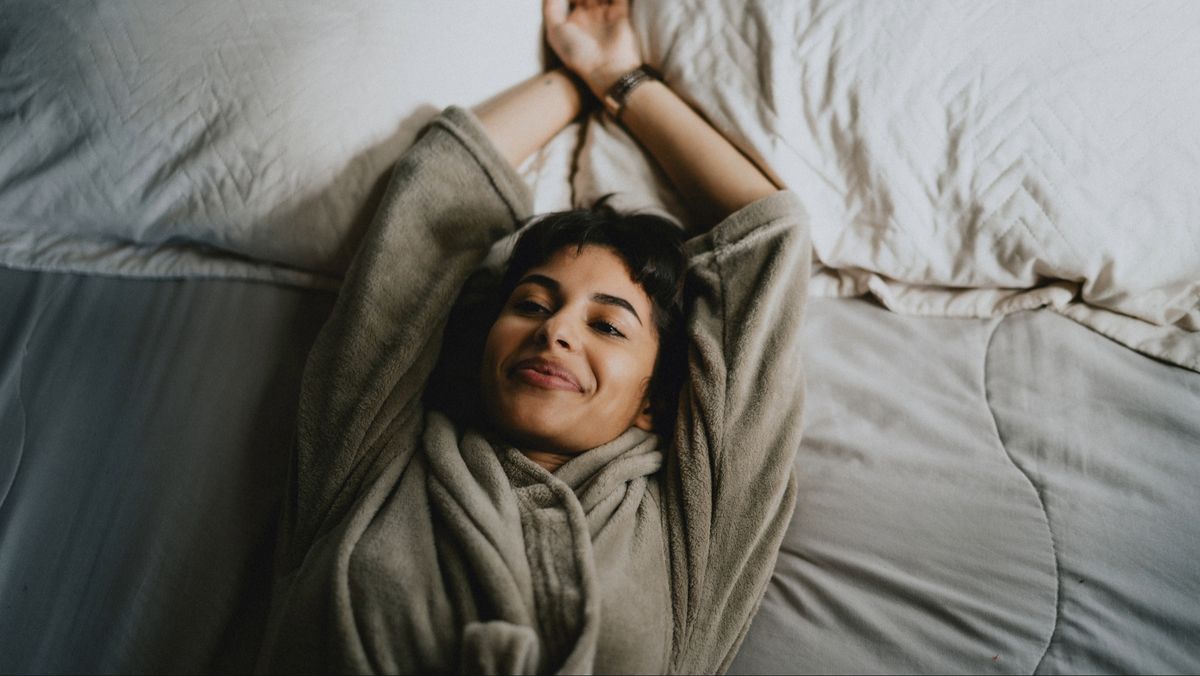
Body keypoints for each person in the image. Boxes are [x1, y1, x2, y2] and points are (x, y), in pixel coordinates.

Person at [257, 0, 810, 673]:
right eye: (530, 304)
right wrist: (572, 80)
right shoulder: (370, 457)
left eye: (606, 324)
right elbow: (435, 196)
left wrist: (620, 79)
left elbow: (768, 243)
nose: (555, 331)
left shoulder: (689, 532)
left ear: (651, 400)